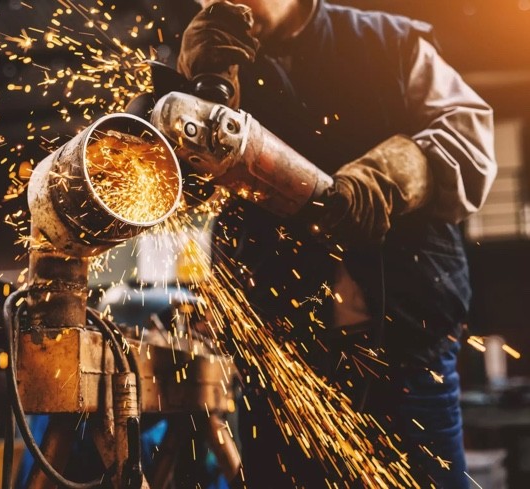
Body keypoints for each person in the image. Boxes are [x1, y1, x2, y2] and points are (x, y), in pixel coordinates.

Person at [172, 0, 497, 487]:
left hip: (406, 352)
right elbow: (162, 181)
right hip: (281, 364)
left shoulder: (391, 43)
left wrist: (390, 177)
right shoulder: (207, 62)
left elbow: (469, 139)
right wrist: (189, 93)